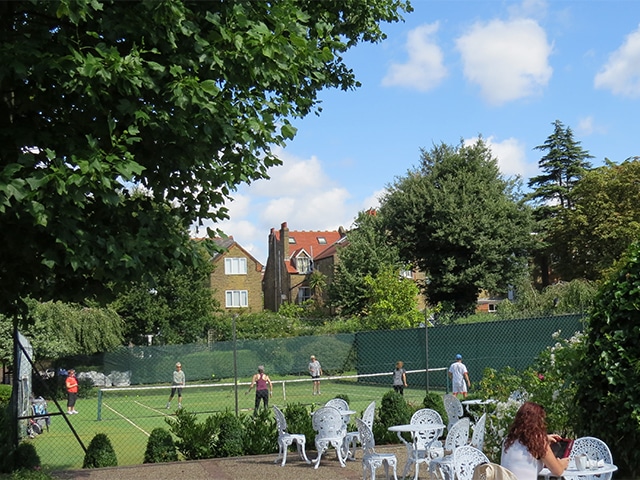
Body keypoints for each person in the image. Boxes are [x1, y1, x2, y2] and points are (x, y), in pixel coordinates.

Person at [501, 401, 570, 480]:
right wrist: (562, 464)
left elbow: (524, 444)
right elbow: (557, 471)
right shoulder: (539, 442)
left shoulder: (508, 440)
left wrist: (545, 438)